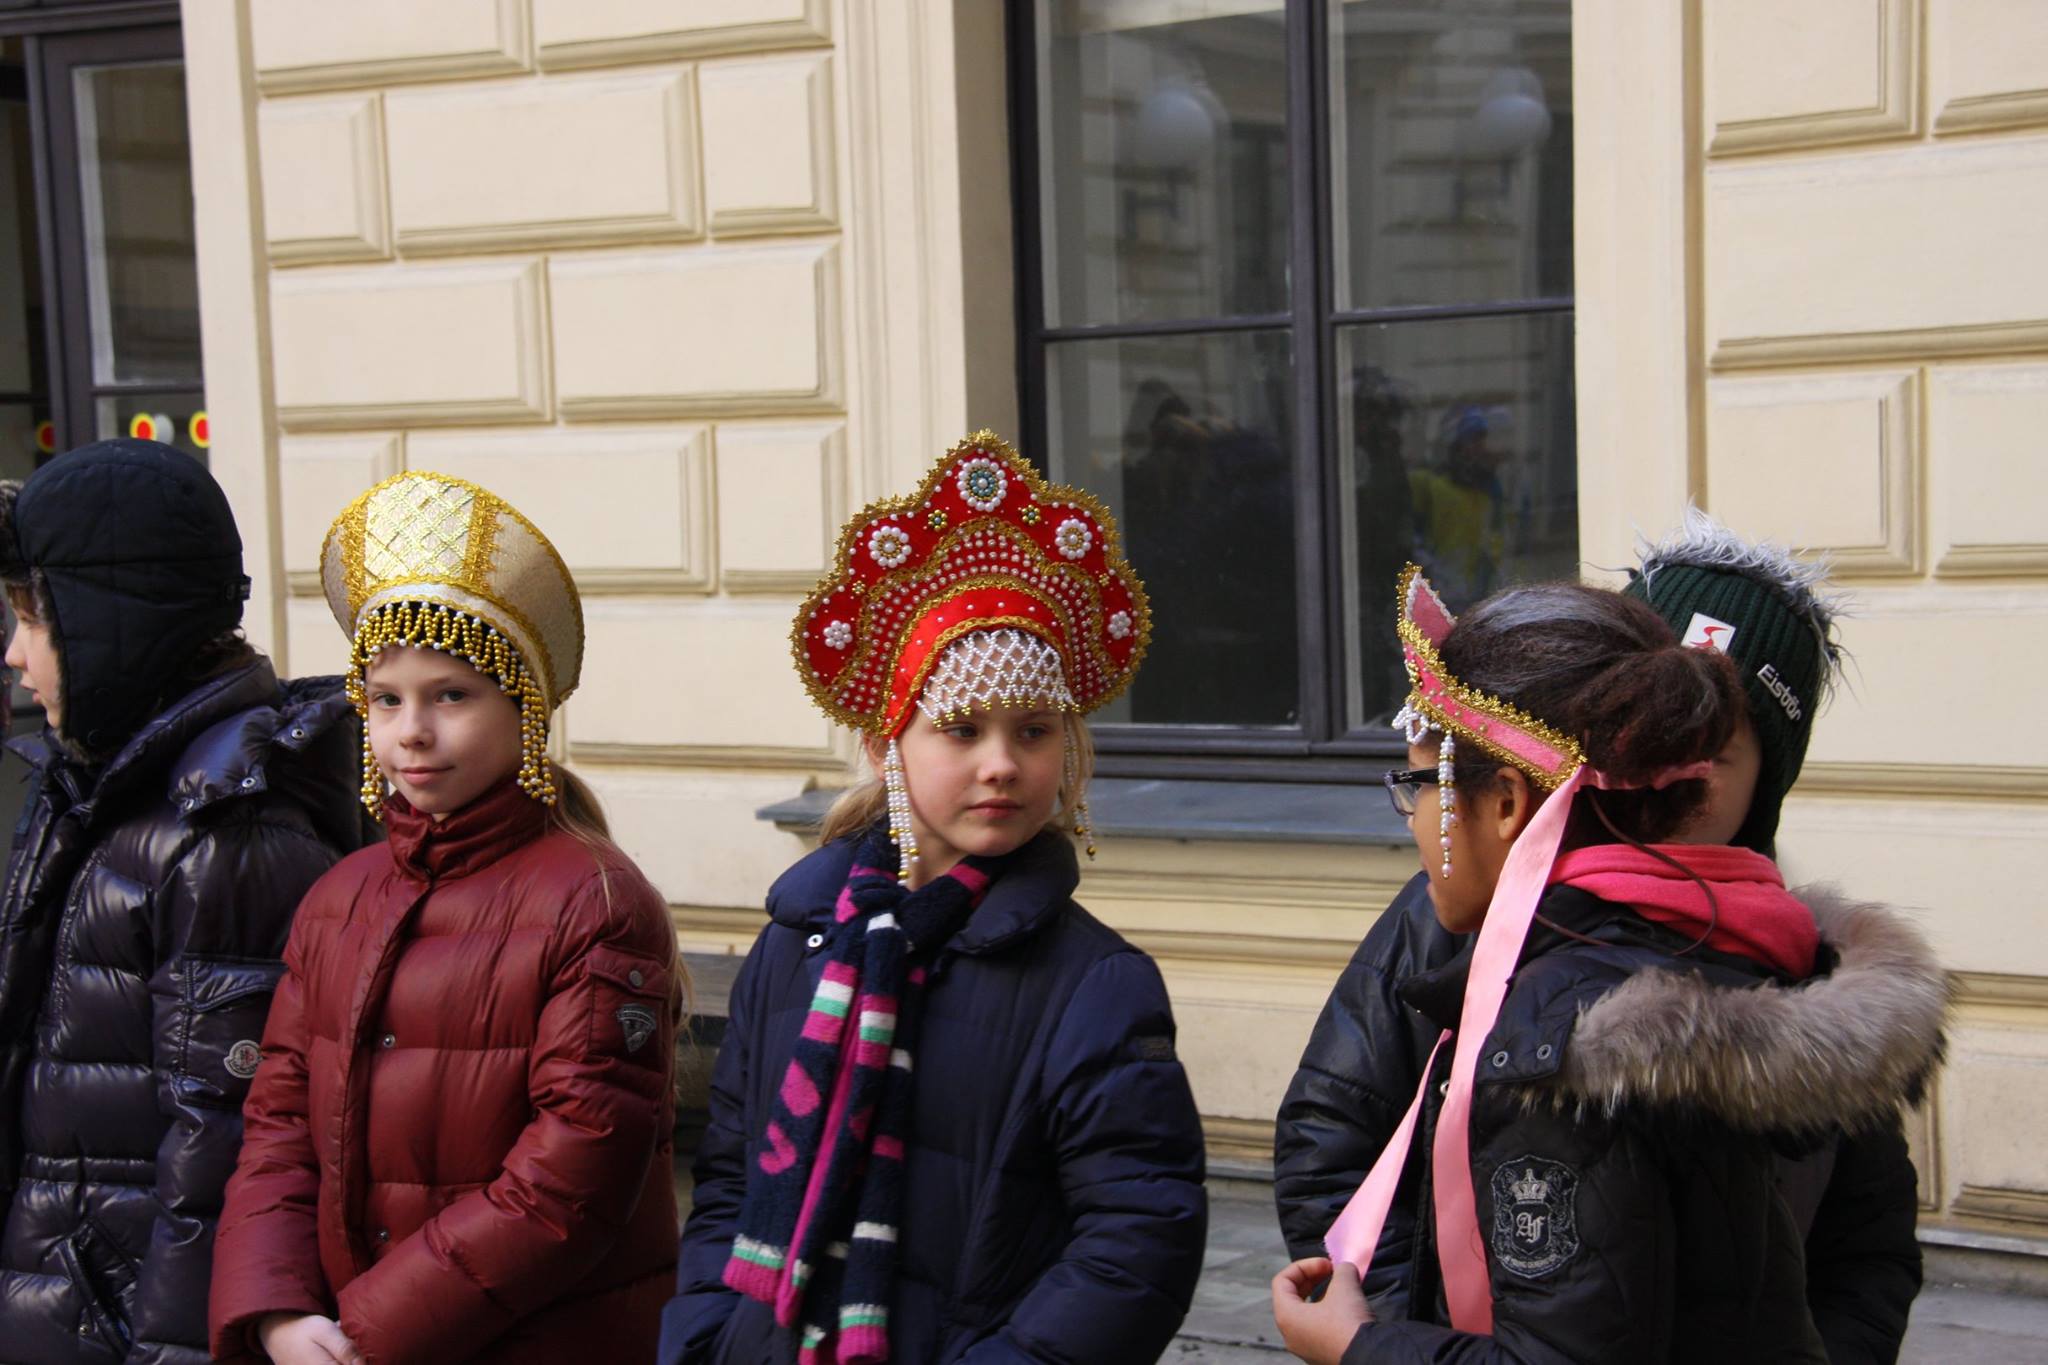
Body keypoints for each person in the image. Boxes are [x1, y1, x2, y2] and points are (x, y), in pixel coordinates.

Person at [1273, 514, 1929, 1362]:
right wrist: (1405, 1321)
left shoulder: (1581, 1032)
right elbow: (1334, 1133)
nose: (1665, 770)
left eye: (1422, 783)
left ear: (1507, 801)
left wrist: (1364, 1346)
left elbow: (1864, 1250)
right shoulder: (1486, 927)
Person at [661, 431, 1207, 1364]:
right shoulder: (796, 944)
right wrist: (711, 1338)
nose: (1002, 763)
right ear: (887, 746)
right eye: (961, 728)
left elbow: (1137, 1242)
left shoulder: (1097, 984)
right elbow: (728, 1181)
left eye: (1033, 730)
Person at [207, 472, 682, 1365]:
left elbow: (573, 1174)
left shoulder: (594, 901)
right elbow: (279, 1126)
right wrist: (276, 1308)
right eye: (387, 698)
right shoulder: (339, 897)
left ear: (524, 708)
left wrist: (368, 1333)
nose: (411, 731)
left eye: (451, 695)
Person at [0, 438, 366, 1364]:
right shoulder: (102, 793)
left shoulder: (224, 834)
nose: (13, 655)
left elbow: (221, 1163)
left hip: (118, 1327)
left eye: (33, 620)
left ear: (108, 623)